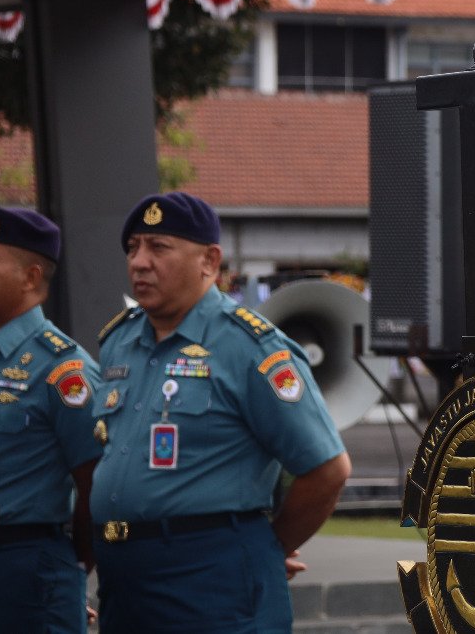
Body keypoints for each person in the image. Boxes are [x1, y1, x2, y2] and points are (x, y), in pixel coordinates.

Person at [90, 192, 351, 634]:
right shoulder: (119, 341)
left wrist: (266, 547)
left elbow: (328, 469)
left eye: (159, 247)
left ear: (209, 261)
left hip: (212, 579)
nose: (139, 262)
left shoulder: (248, 346)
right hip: (125, 579)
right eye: (133, 248)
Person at [0, 205, 102, 634]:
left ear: (31, 277)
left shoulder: (63, 370)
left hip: (25, 570)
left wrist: (67, 573)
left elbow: (94, 486)